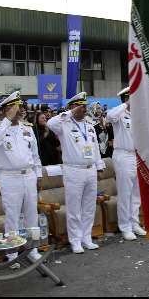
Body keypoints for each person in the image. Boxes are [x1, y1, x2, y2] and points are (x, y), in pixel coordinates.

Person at [47, 92, 106, 254]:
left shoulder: (89, 126)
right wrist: (69, 113)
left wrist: (99, 166)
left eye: (85, 107)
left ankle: (86, 237)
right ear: (73, 107)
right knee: (74, 208)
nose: (83, 110)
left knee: (89, 207)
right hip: (73, 170)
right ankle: (75, 240)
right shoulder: (63, 124)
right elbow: (50, 123)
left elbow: (95, 148)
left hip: (90, 170)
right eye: (80, 107)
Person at [0, 92, 43, 262]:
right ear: (5, 110)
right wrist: (7, 119)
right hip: (10, 177)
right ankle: (11, 254)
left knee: (31, 214)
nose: (20, 110)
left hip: (28, 175)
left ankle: (32, 249)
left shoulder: (27, 128)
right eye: (15, 107)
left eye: (20, 107)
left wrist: (38, 174)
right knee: (12, 216)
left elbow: (35, 155)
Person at [107, 87, 146, 241]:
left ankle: (134, 223)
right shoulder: (119, 114)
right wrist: (126, 104)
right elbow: (109, 116)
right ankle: (125, 226)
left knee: (136, 193)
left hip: (137, 155)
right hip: (123, 155)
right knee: (125, 193)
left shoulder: (138, 115)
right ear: (126, 98)